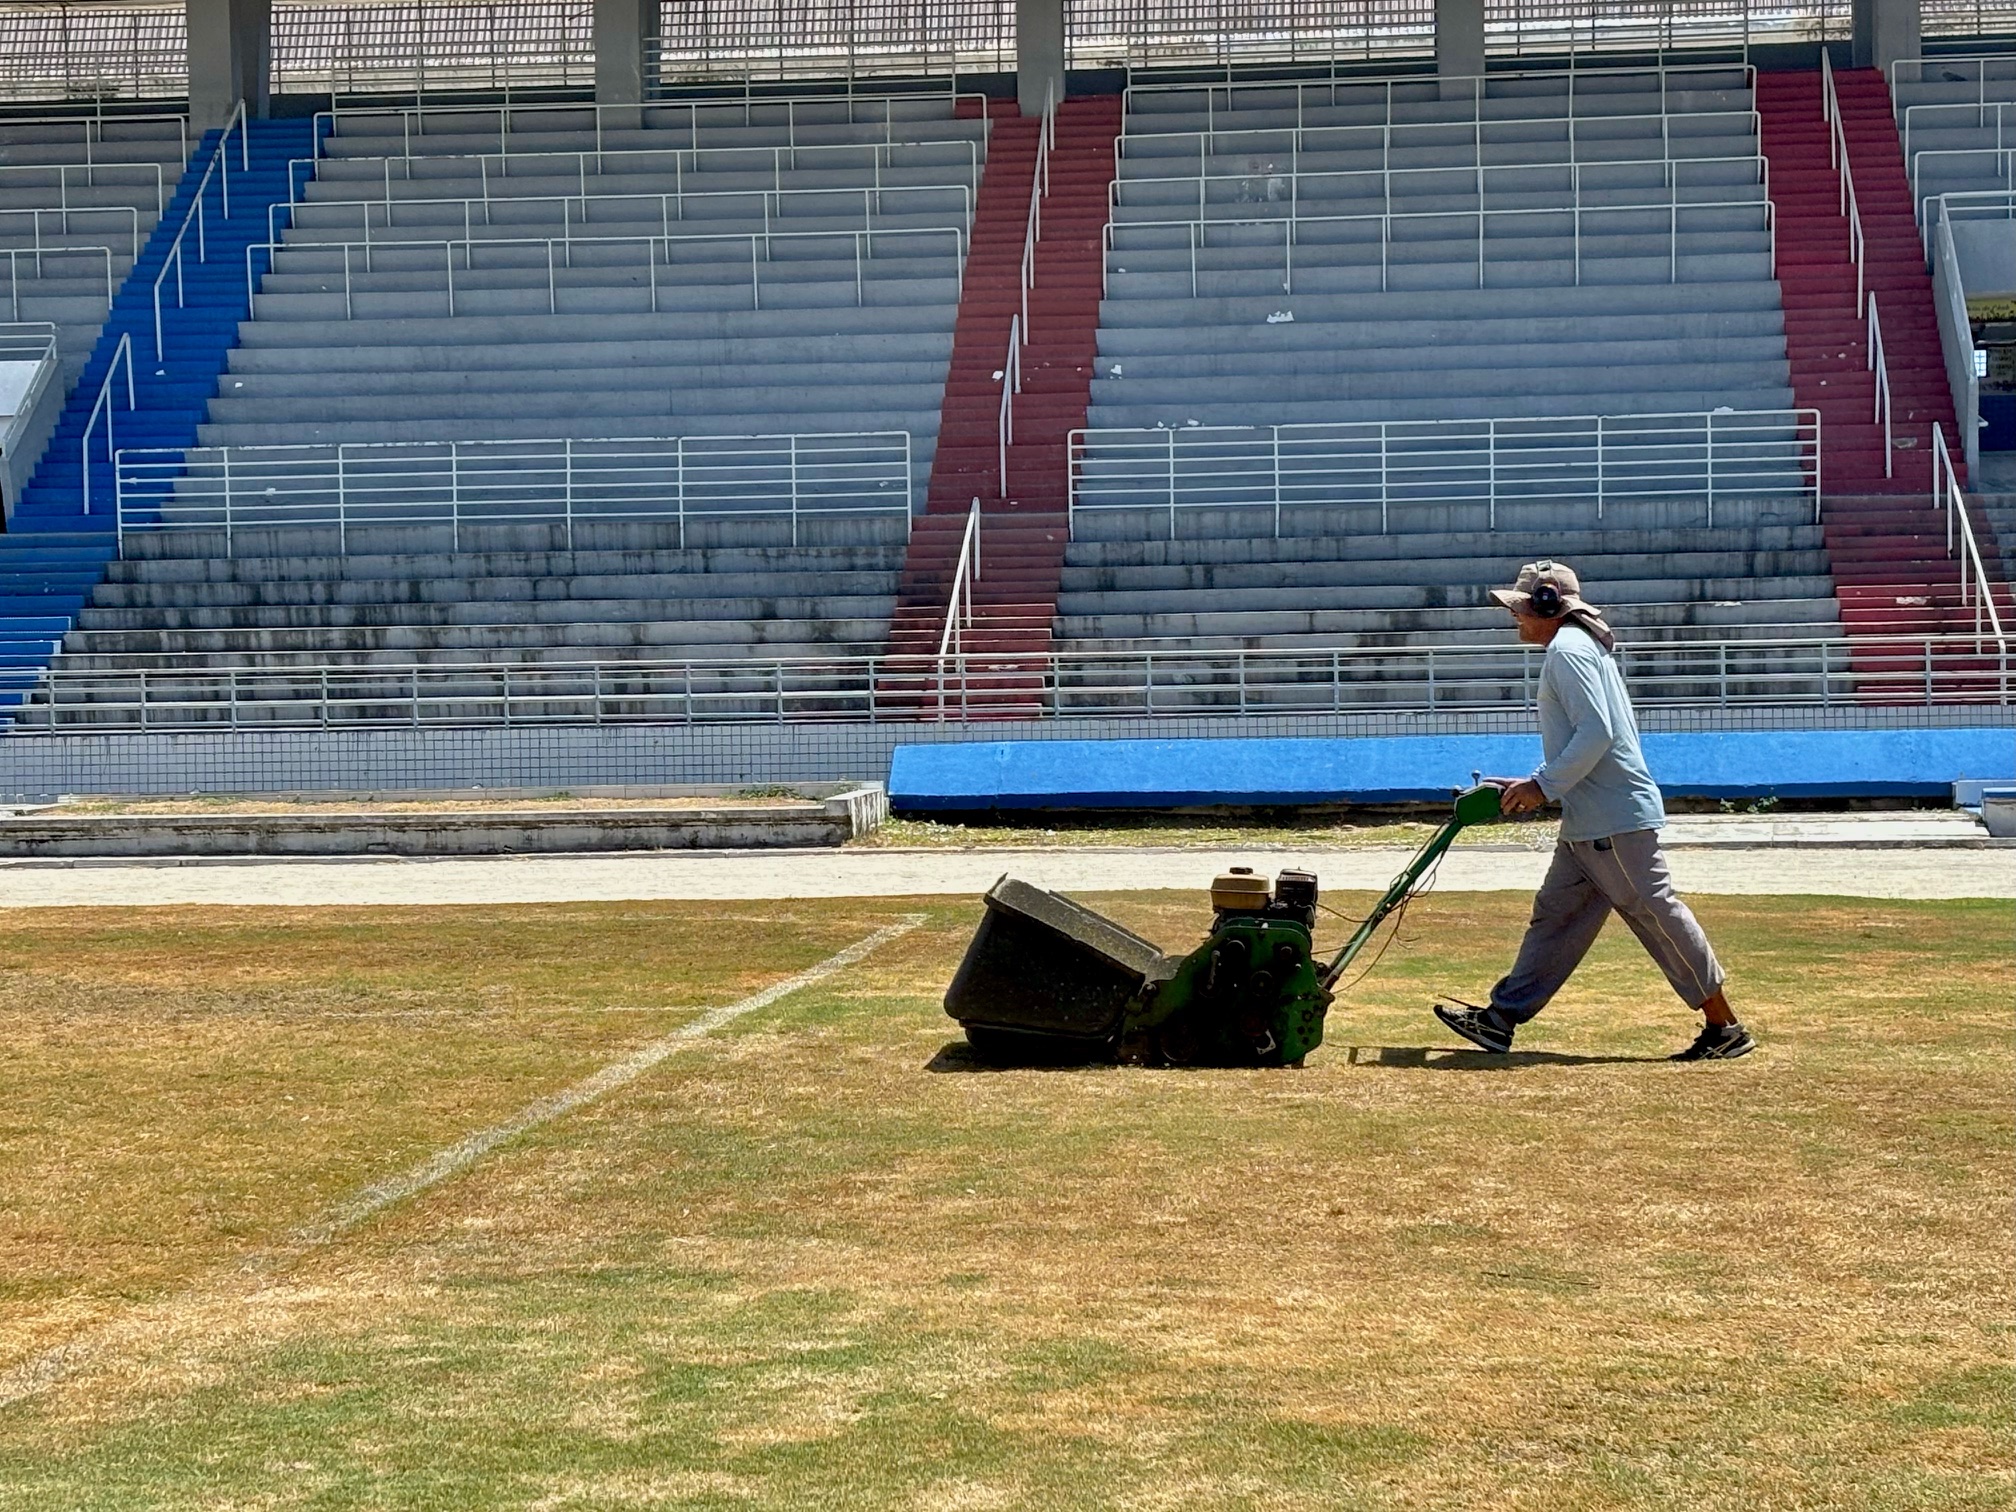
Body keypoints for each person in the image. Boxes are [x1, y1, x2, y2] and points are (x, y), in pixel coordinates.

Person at [1434, 561, 1755, 1061]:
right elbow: (1584, 736)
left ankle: (1725, 1027)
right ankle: (1499, 1020)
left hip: (1614, 820)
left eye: (1520, 607)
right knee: (1556, 918)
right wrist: (1532, 781)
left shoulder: (1568, 652)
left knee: (1657, 914)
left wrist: (1542, 787)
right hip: (1590, 821)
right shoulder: (1577, 649)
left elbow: (1597, 733)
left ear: (1547, 604)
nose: (1515, 617)